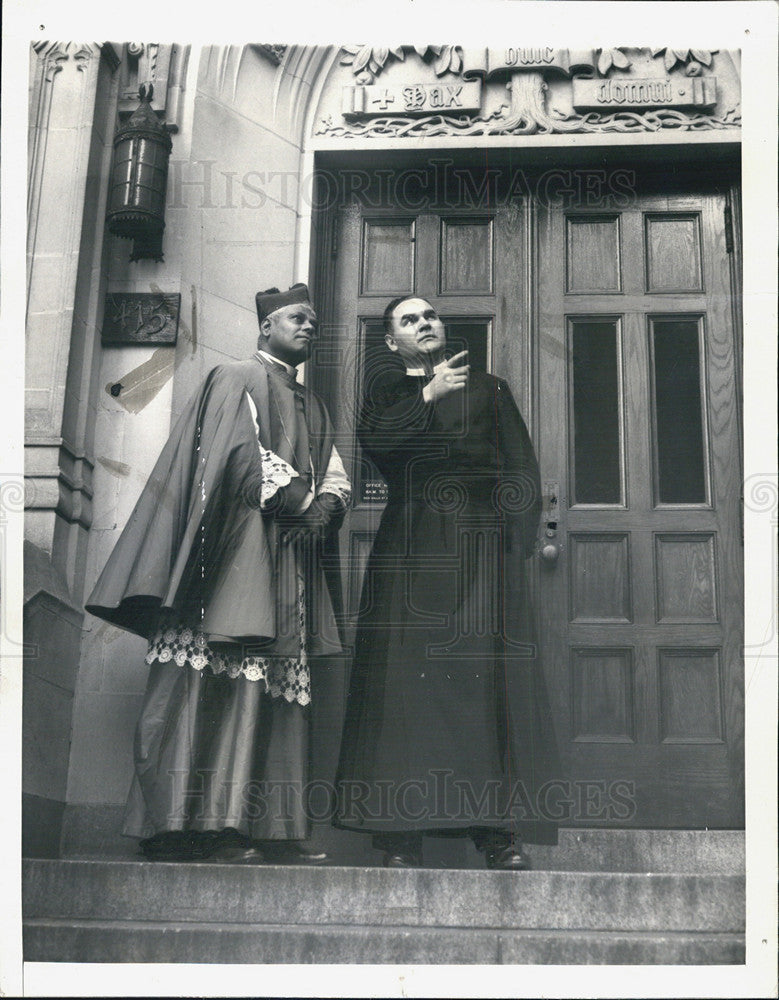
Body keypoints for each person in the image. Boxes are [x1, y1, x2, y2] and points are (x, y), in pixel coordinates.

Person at [86, 283, 350, 863]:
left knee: (268, 694)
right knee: (206, 682)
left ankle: (258, 828)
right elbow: (239, 459)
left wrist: (329, 504)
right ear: (266, 327)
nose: (309, 327)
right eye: (297, 318)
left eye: (314, 321)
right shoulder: (234, 377)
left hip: (287, 566)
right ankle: (181, 828)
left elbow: (332, 468)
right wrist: (306, 503)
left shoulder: (316, 405)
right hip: (230, 560)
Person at [334, 295, 558, 869]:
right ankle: (398, 834)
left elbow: (521, 468)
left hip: (480, 550)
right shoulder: (387, 395)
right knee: (403, 685)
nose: (424, 323)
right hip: (410, 546)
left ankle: (495, 833)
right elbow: (378, 450)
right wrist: (427, 396)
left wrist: (512, 540)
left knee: (481, 684)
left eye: (430, 316)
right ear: (392, 342)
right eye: (409, 320)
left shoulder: (491, 387)